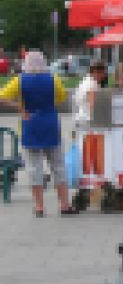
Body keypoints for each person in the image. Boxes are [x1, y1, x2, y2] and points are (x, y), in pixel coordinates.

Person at [0, 51, 75, 217]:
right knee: (58, 166)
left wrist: (19, 107)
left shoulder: (19, 80)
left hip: (30, 123)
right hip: (50, 124)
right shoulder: (53, 79)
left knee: (34, 168)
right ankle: (64, 205)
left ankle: (40, 207)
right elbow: (61, 97)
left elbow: (1, 97)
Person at [74, 60, 107, 127]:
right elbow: (92, 105)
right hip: (88, 121)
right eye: (103, 73)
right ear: (96, 72)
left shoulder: (84, 81)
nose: (104, 76)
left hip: (80, 118)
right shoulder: (92, 84)